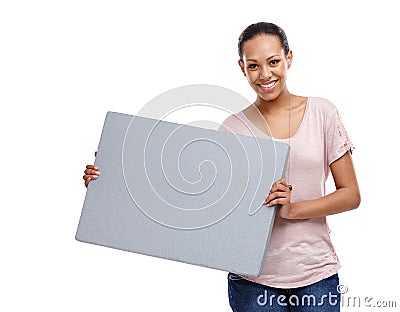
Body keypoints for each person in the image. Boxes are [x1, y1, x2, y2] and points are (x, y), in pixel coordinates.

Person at [83, 22, 360, 312]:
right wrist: (110, 177)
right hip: (252, 281)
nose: (265, 74)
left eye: (274, 62)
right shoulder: (232, 129)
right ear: (242, 68)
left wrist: (293, 210)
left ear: (289, 58)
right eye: (253, 66)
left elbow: (351, 194)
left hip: (316, 275)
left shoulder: (322, 112)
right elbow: (197, 202)